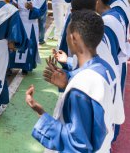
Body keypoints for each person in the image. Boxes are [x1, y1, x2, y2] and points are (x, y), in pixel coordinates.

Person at [26, 10, 124, 152]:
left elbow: (77, 146)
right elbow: (113, 115)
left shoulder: (81, 87)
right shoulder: (107, 69)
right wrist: (68, 82)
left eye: (66, 34)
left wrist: (40, 112)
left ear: (73, 38)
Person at [87, 0, 128, 140]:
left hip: (109, 70)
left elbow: (107, 54)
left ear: (96, 0)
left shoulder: (107, 22)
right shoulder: (113, 14)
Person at [9, 0, 47, 75]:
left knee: (30, 45)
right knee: (14, 43)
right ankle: (10, 66)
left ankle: (26, 67)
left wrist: (32, 9)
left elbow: (42, 12)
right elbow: (13, 2)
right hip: (18, 22)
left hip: (31, 24)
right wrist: (15, 6)